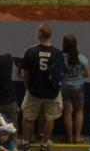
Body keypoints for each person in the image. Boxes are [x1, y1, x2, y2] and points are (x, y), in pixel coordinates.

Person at [18, 23, 65, 151]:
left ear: (39, 34)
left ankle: (25, 142)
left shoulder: (30, 51)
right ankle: (44, 144)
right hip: (52, 92)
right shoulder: (57, 53)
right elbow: (62, 74)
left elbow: (25, 74)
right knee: (50, 118)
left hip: (34, 92)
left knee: (28, 117)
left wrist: (27, 87)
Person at [60, 33, 90, 144]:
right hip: (79, 88)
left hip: (66, 87)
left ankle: (69, 138)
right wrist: (79, 73)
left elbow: (59, 72)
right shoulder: (82, 59)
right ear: (76, 44)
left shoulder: (62, 59)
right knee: (79, 111)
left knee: (67, 112)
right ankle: (77, 137)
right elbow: (87, 74)